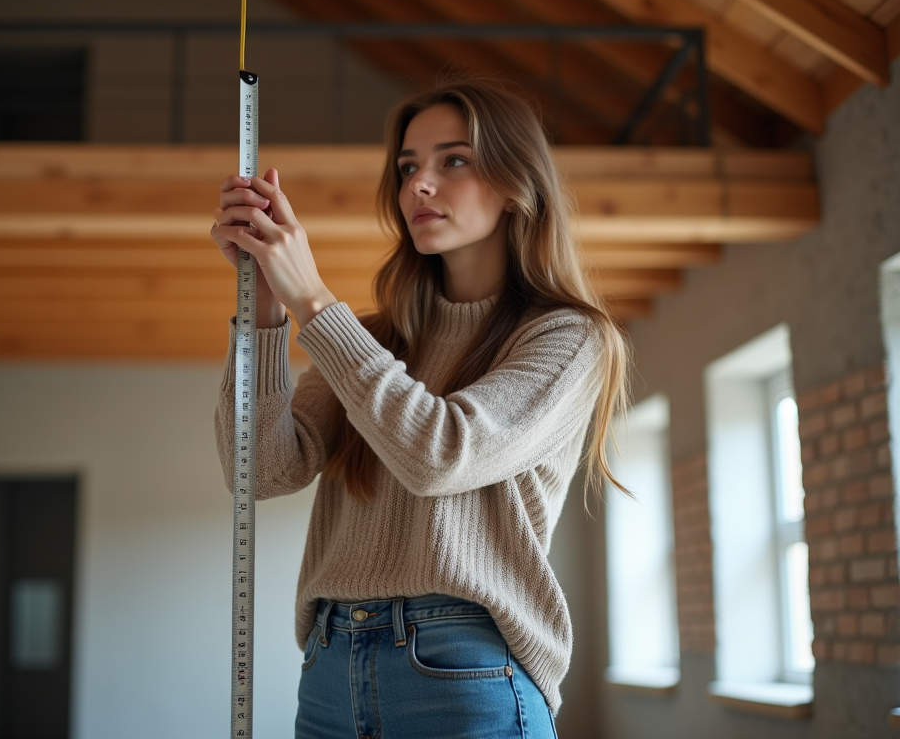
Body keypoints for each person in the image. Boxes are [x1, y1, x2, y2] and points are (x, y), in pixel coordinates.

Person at [211, 78, 628, 739]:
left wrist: (312, 300)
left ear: (517, 182)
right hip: (329, 664)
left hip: (463, 667)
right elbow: (259, 470)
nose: (418, 186)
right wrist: (263, 309)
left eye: (452, 161)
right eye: (408, 167)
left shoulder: (568, 338)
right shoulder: (374, 341)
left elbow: (440, 454)